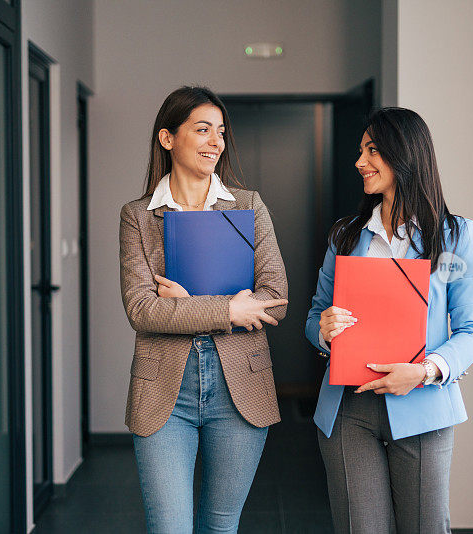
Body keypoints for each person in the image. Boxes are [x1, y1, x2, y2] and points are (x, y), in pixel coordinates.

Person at [305, 107, 473, 533]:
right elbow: (314, 314)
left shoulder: (455, 235)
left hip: (422, 407)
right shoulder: (346, 235)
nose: (359, 162)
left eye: (372, 151)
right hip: (349, 410)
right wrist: (323, 329)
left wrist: (424, 371)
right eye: (360, 151)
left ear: (404, 155)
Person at [119, 86, 288, 533]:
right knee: (170, 528)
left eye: (220, 131)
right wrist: (229, 310)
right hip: (164, 395)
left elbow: (275, 298)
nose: (216, 141)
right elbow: (142, 310)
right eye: (202, 129)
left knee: (220, 525)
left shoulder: (248, 206)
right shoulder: (137, 216)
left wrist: (189, 305)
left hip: (240, 387)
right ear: (167, 138)